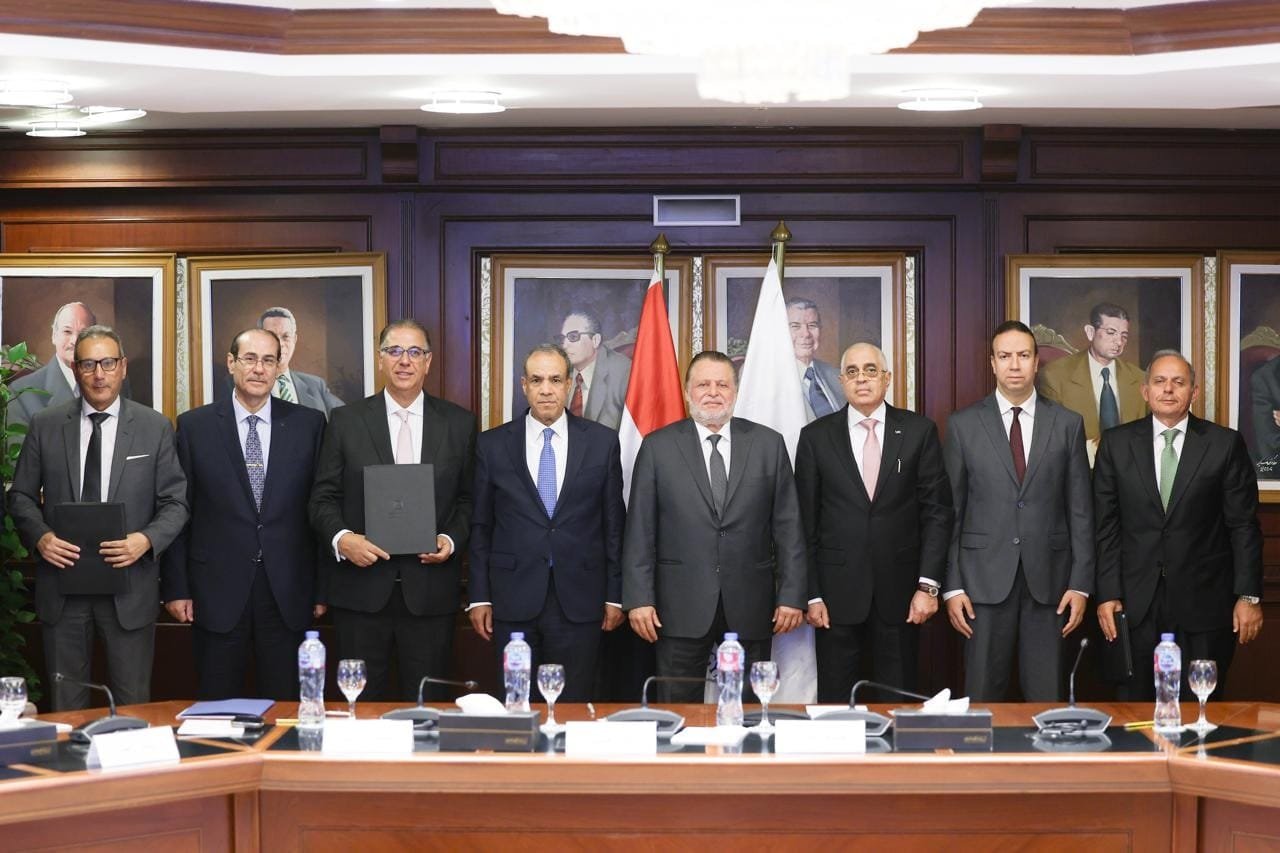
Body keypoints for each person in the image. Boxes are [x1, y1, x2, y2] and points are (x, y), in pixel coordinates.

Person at [8, 325, 188, 710]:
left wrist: (146, 540)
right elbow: (20, 496)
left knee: (132, 705)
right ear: (75, 369)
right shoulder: (46, 424)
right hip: (63, 589)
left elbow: (176, 503)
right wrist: (40, 537)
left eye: (107, 363)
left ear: (123, 366)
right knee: (67, 706)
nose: (99, 374)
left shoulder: (154, 427)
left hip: (129, 589)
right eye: (88, 364)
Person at [622, 350, 806, 702]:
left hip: (751, 603)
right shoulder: (658, 447)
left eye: (722, 385)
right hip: (678, 605)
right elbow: (640, 530)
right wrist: (639, 599)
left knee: (748, 710)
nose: (713, 392)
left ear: (735, 392)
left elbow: (789, 528)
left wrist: (791, 595)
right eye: (703, 384)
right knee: (678, 709)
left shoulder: (768, 445)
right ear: (687, 392)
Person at [309, 318, 476, 701]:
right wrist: (343, 539)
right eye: (395, 351)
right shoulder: (346, 421)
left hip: (430, 594)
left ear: (428, 361)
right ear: (381, 359)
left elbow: (469, 500)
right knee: (362, 709)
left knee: (428, 709)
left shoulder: (459, 423)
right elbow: (322, 498)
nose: (405, 360)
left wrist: (451, 539)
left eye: (415, 352)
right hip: (360, 593)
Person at [161, 328, 327, 700]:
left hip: (288, 592)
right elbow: (178, 510)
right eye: (250, 359)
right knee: (217, 708)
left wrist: (322, 588)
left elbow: (320, 509)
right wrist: (177, 588)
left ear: (280, 367)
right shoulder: (195, 426)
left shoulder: (309, 425)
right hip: (215, 592)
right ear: (231, 363)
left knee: (285, 707)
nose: (259, 369)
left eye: (269, 360)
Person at [1095, 350, 1263, 699]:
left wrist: (1248, 596)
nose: (1168, 389)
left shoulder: (1224, 444)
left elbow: (1243, 526)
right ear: (1145, 391)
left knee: (1199, 706)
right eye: (1159, 381)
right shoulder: (1116, 443)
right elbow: (1106, 526)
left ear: (1194, 392)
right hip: (1135, 604)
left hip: (1205, 603)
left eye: (1178, 382)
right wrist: (1107, 593)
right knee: (1135, 710)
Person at [943, 320, 1094, 702]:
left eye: (1023, 355)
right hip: (980, 584)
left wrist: (1080, 584)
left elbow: (1080, 511)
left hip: (1051, 584)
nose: (1014, 365)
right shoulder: (962, 425)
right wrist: (952, 586)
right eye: (1005, 356)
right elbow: (951, 512)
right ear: (992, 363)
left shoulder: (1067, 424)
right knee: (981, 696)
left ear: (1036, 362)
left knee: (1047, 698)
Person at [795, 343, 952, 702]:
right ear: (841, 381)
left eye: (870, 370)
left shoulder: (918, 432)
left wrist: (928, 587)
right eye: (852, 372)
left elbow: (937, 513)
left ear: (887, 378)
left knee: (897, 706)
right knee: (836, 709)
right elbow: (804, 523)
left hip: (902, 598)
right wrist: (812, 594)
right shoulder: (816, 437)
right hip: (834, 601)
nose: (861, 379)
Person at [468, 344, 626, 701]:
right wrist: (478, 597)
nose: (546, 389)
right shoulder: (492, 445)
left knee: (572, 706)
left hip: (580, 599)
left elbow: (614, 525)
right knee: (518, 705)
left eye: (555, 380)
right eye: (537, 380)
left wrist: (615, 596)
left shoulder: (601, 443)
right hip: (512, 598)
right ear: (524, 385)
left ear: (569, 384)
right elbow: (481, 526)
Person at [1037, 302, 1144, 457]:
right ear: (1090, 332)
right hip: (1078, 466)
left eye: (1124, 336)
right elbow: (1050, 439)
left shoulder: (1139, 378)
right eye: (1111, 332)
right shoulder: (1055, 376)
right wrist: (1092, 448)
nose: (1119, 342)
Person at [9, 302, 132, 425]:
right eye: (67, 331)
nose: (75, 340)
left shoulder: (118, 382)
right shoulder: (21, 393)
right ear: (54, 336)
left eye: (83, 333)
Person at [259, 306, 344, 418]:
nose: (280, 344)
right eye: (272, 336)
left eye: (286, 336)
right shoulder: (248, 385)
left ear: (294, 339)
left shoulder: (315, 385)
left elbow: (348, 417)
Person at [557, 309, 631, 430]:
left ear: (595, 340)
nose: (564, 345)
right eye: (562, 338)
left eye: (573, 337)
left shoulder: (623, 372)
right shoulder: (558, 370)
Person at [786, 297, 842, 421]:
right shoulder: (768, 380)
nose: (806, 334)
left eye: (812, 325)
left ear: (820, 330)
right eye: (795, 326)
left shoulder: (837, 376)